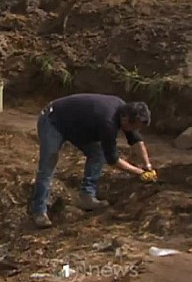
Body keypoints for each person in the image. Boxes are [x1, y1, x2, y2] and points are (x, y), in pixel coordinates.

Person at [30, 93, 158, 229]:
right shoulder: (108, 121)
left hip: (78, 126)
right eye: (134, 127)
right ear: (126, 118)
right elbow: (113, 160)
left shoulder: (124, 111)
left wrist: (147, 165)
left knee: (98, 154)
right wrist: (139, 173)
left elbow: (136, 140)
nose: (134, 130)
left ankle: (87, 196)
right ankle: (39, 211)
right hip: (53, 120)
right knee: (48, 164)